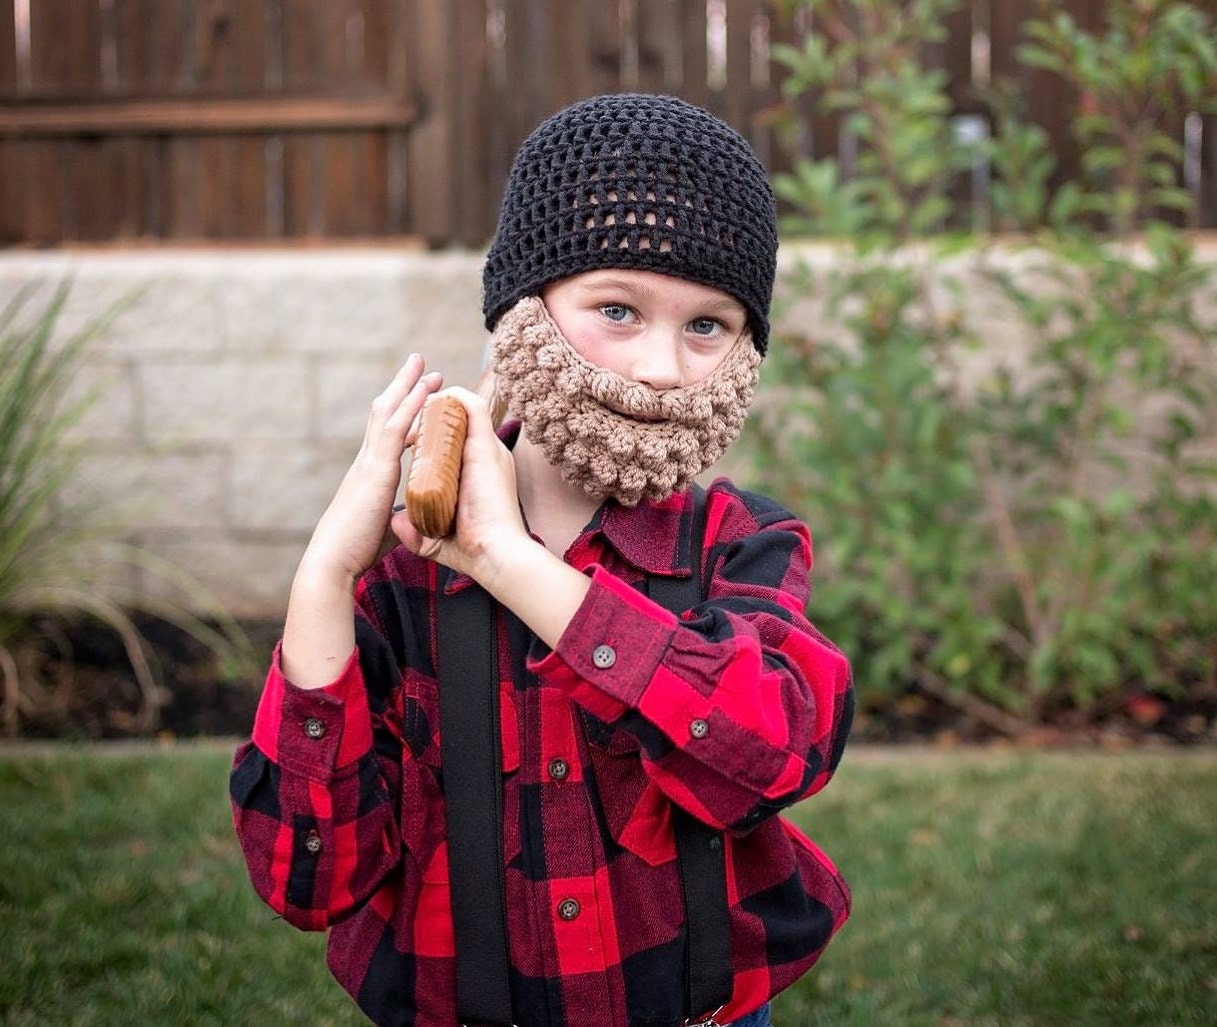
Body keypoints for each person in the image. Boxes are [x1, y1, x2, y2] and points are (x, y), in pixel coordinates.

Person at [231, 93, 853, 1027]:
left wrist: (503, 559)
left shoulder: (739, 544)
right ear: (522, 310)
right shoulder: (401, 580)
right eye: (616, 307)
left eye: (707, 325)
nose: (660, 368)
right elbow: (311, 879)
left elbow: (771, 753)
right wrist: (322, 579)